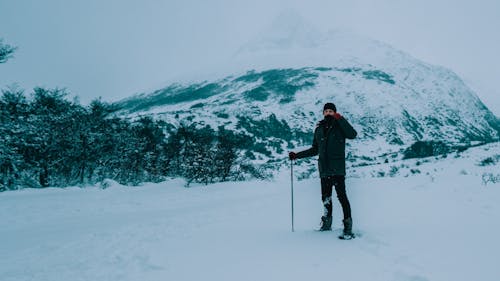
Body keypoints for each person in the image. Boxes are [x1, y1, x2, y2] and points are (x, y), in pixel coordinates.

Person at [289, 102, 357, 239]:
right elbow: (315, 149)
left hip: (337, 170)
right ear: (323, 113)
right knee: (326, 198)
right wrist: (297, 155)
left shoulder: (340, 126)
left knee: (342, 198)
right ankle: (327, 224)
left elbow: (352, 134)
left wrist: (340, 118)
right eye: (326, 111)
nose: (328, 113)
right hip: (324, 170)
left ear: (335, 113)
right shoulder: (319, 129)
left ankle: (348, 228)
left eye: (331, 111)